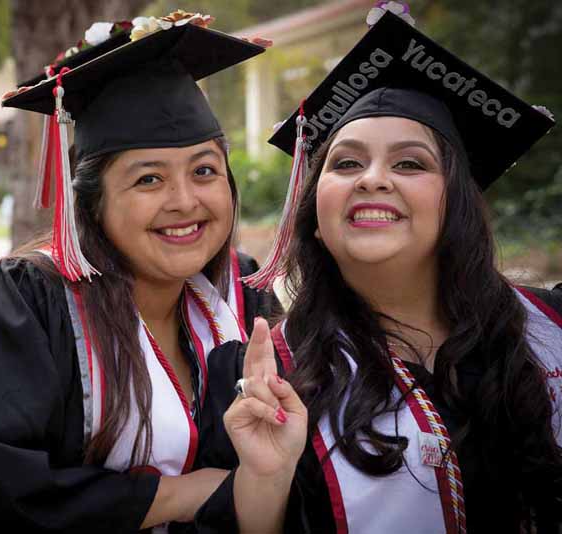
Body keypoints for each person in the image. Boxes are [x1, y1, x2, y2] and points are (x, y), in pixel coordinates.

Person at [193, 7, 562, 534]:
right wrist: (264, 480)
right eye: (345, 163)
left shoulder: (550, 329)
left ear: (455, 203)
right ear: (315, 215)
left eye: (410, 163)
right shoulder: (261, 381)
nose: (373, 179)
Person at [0, 14, 277, 534]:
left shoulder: (242, 297)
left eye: (204, 170)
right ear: (92, 202)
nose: (185, 201)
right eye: (148, 179)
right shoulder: (25, 304)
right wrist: (176, 495)